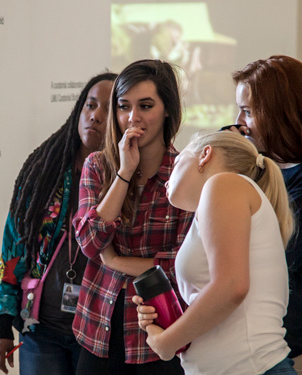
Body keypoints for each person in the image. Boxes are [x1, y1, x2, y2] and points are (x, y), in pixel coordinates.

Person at [0, 72, 117, 375]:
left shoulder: (126, 178)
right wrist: (1, 323)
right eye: (90, 105)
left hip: (101, 331)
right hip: (41, 329)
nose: (95, 116)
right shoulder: (44, 169)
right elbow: (13, 246)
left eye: (109, 109)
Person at [136, 131, 296, 374]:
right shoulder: (225, 193)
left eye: (177, 162)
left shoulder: (223, 184)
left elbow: (231, 286)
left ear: (205, 155)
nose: (167, 177)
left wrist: (166, 343)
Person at [72, 59, 193, 375]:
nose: (132, 118)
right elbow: (87, 242)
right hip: (99, 326)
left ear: (168, 109)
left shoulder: (186, 176)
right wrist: (124, 173)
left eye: (146, 106)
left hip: (160, 330)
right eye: (124, 106)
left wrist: (113, 261)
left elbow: (183, 266)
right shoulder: (98, 166)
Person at [228, 55, 302, 375]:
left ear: (282, 114)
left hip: (282, 355)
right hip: (243, 350)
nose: (239, 121)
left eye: (248, 112)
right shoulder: (259, 167)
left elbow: (266, 259)